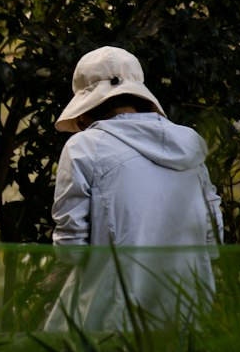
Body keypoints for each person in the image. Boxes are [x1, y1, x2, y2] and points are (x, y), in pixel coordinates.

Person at [45, 46, 223, 333]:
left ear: (83, 112)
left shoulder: (84, 147)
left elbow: (72, 250)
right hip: (188, 308)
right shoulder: (190, 146)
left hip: (114, 314)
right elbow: (213, 239)